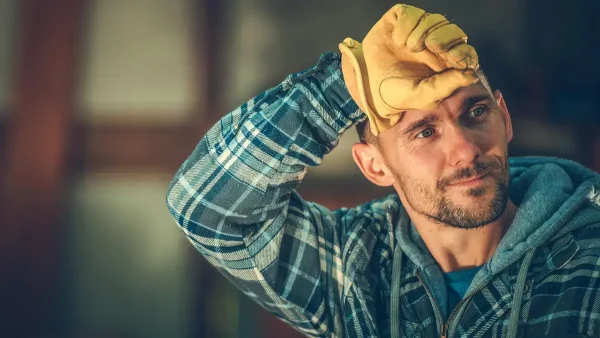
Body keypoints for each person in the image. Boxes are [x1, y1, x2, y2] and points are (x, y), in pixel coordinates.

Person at [166, 4, 600, 338]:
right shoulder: (356, 264)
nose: (465, 149)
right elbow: (206, 206)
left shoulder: (590, 262)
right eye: (425, 131)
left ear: (504, 118)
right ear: (374, 165)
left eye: (476, 111)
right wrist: (345, 84)